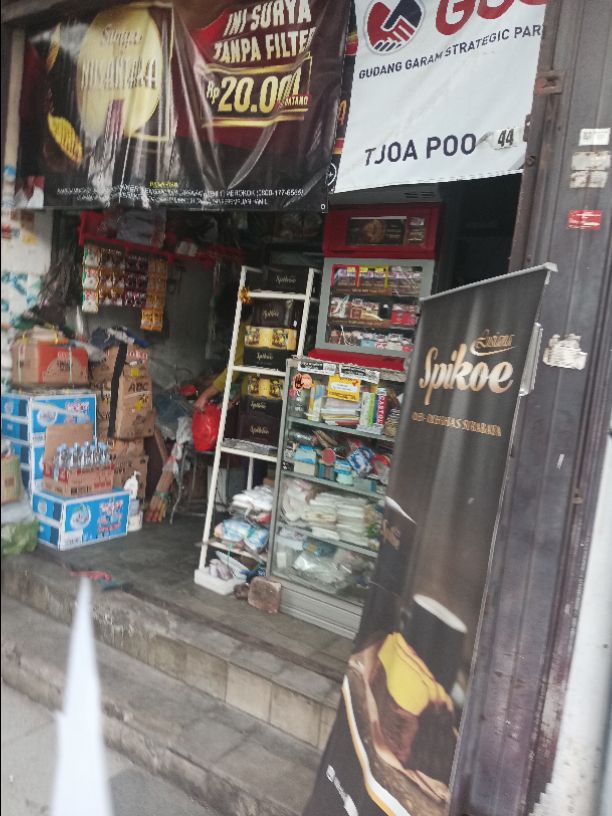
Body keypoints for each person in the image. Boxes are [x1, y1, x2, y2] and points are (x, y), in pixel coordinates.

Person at [194, 283, 251, 412]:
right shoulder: (249, 318)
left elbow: (235, 368)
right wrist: (234, 401)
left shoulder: (249, 328)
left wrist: (205, 395)